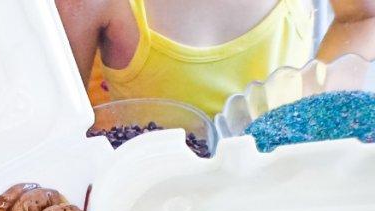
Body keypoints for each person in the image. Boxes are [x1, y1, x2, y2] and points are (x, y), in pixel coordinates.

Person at [57, 0, 375, 115]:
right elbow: (58, 129)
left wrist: (316, 109)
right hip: (161, 198)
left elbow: (361, 18)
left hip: (278, 179)